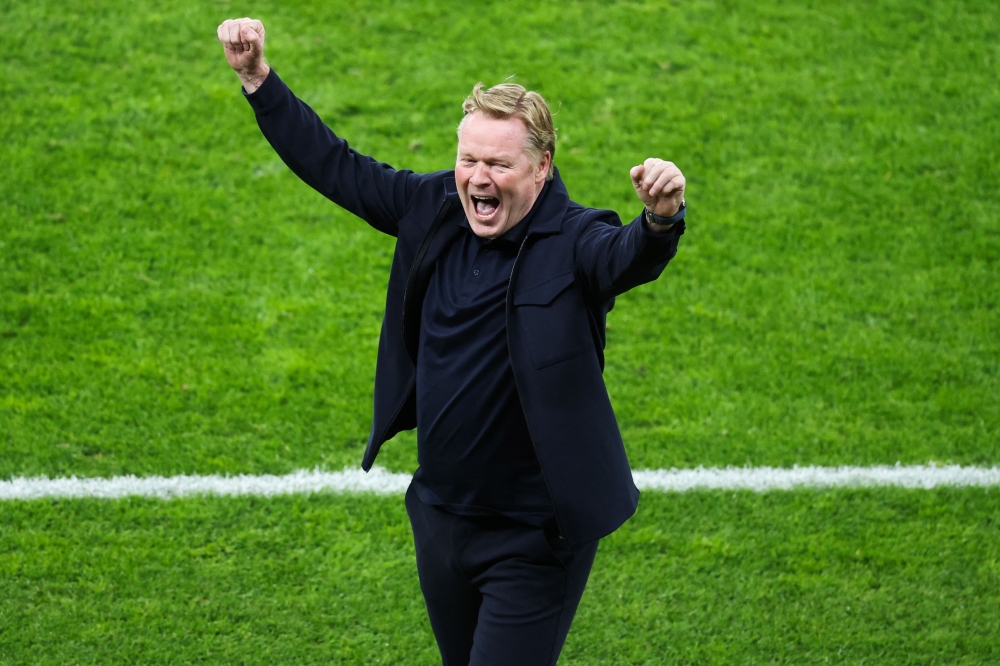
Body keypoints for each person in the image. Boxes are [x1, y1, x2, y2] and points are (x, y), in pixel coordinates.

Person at [218, 17, 687, 666]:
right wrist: (256, 79)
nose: (478, 178)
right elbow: (336, 167)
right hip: (440, 518)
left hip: (533, 537)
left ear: (542, 167)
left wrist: (660, 220)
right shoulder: (432, 205)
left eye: (498, 164)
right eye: (469, 159)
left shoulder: (576, 240)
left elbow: (627, 257)